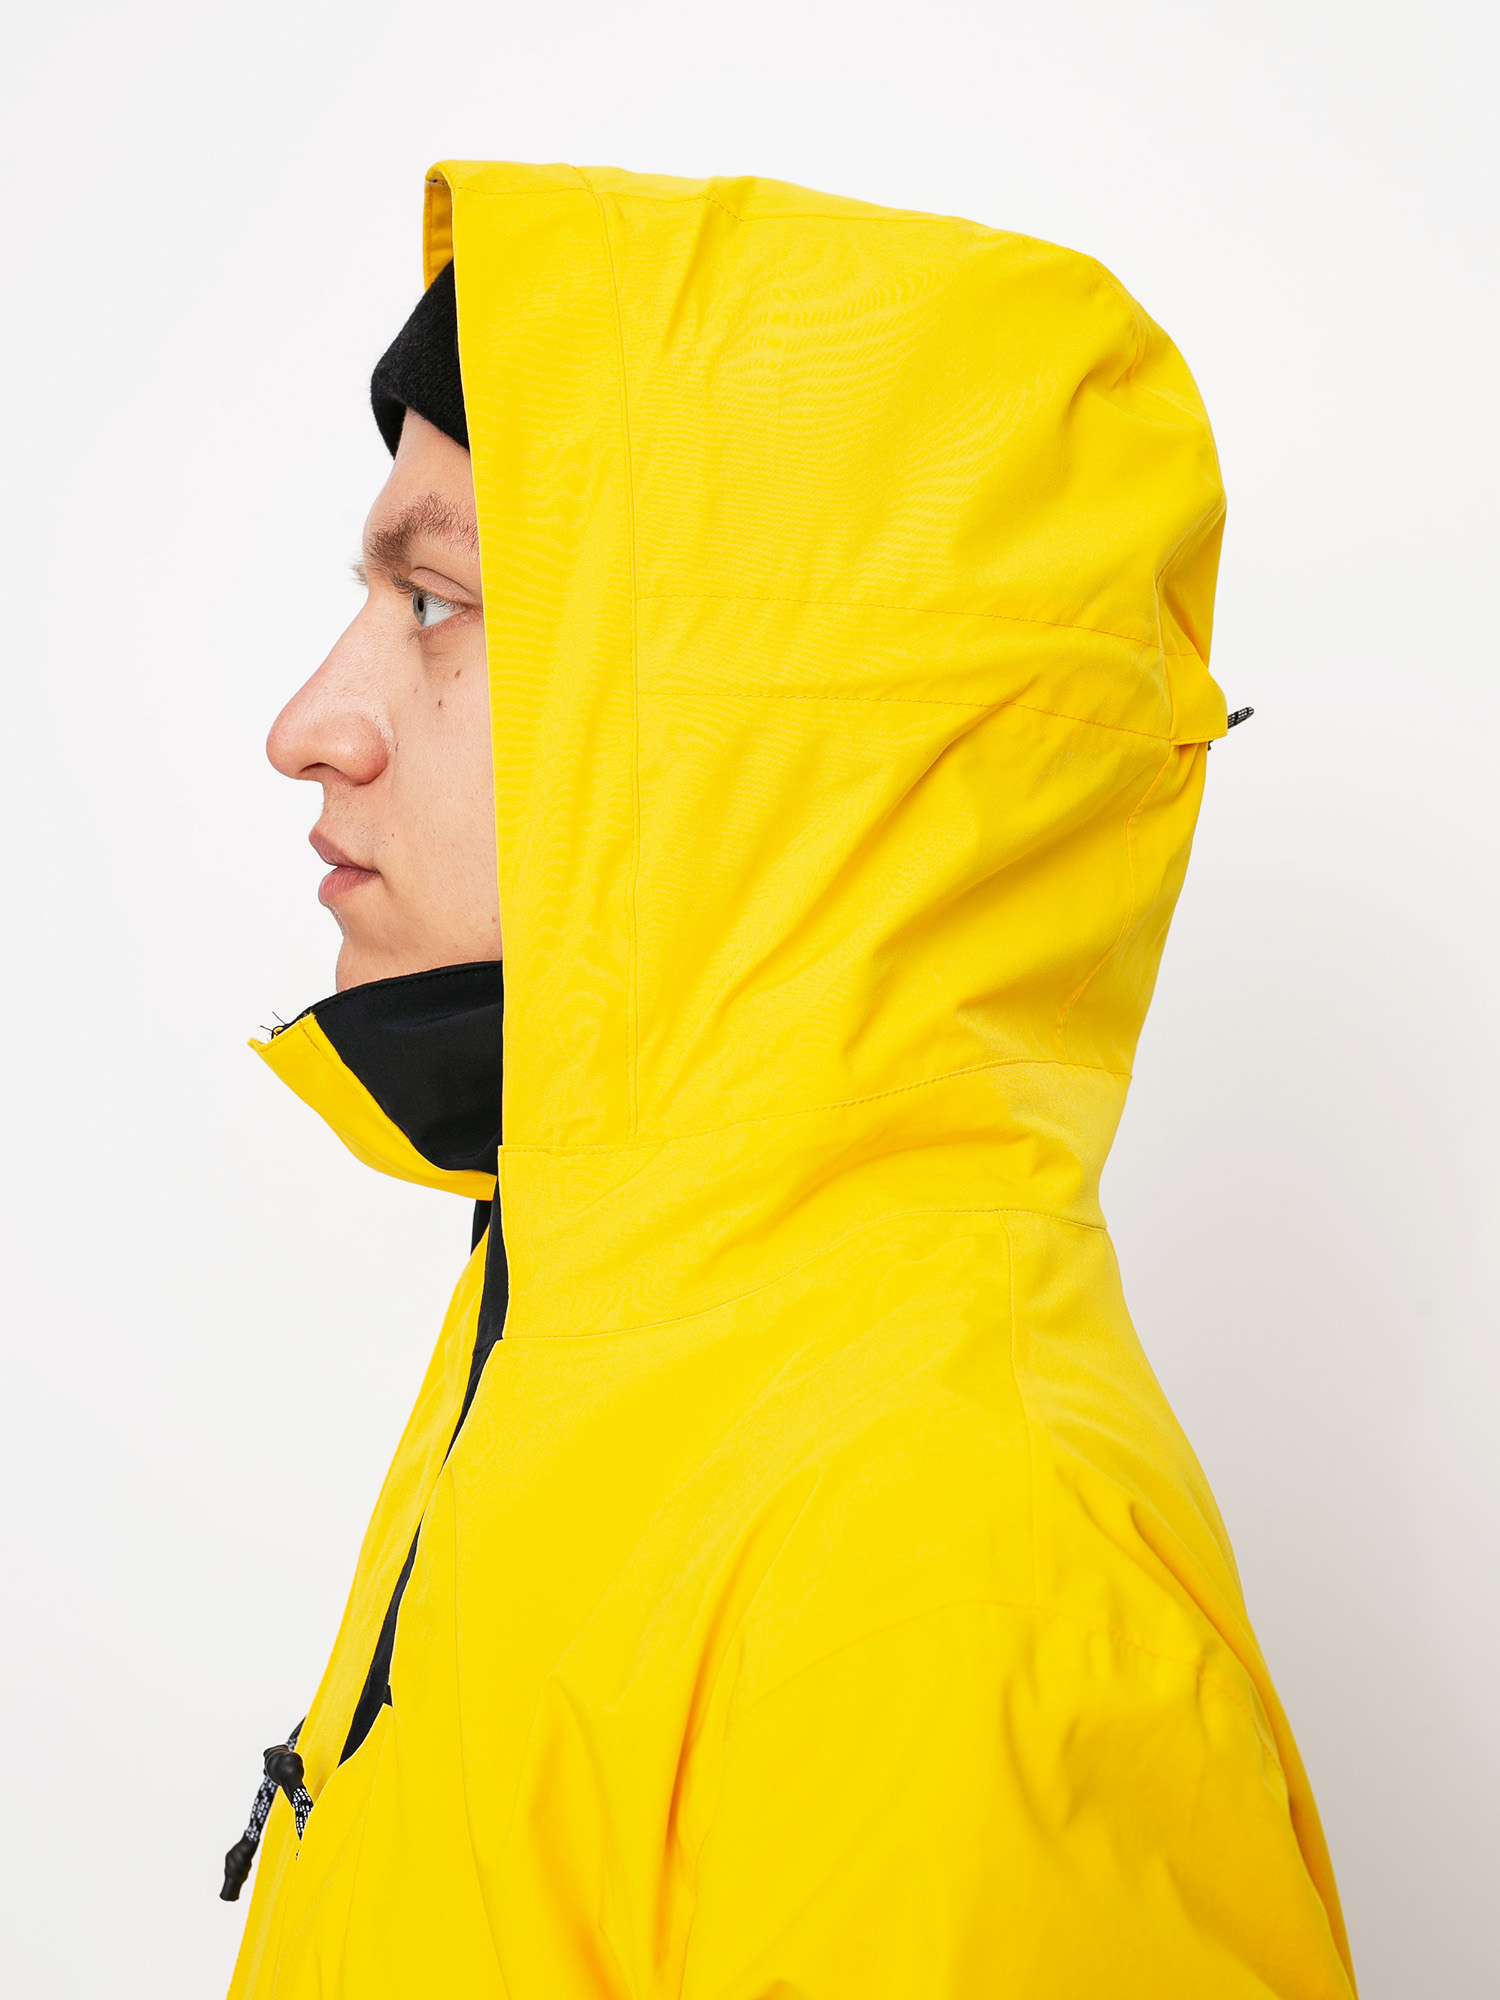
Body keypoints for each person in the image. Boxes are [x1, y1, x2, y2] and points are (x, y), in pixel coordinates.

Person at [223, 162, 1358, 1999]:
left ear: (753, 725)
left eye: (435, 603)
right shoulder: (614, 1341)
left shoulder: (939, 1580)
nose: (310, 727)